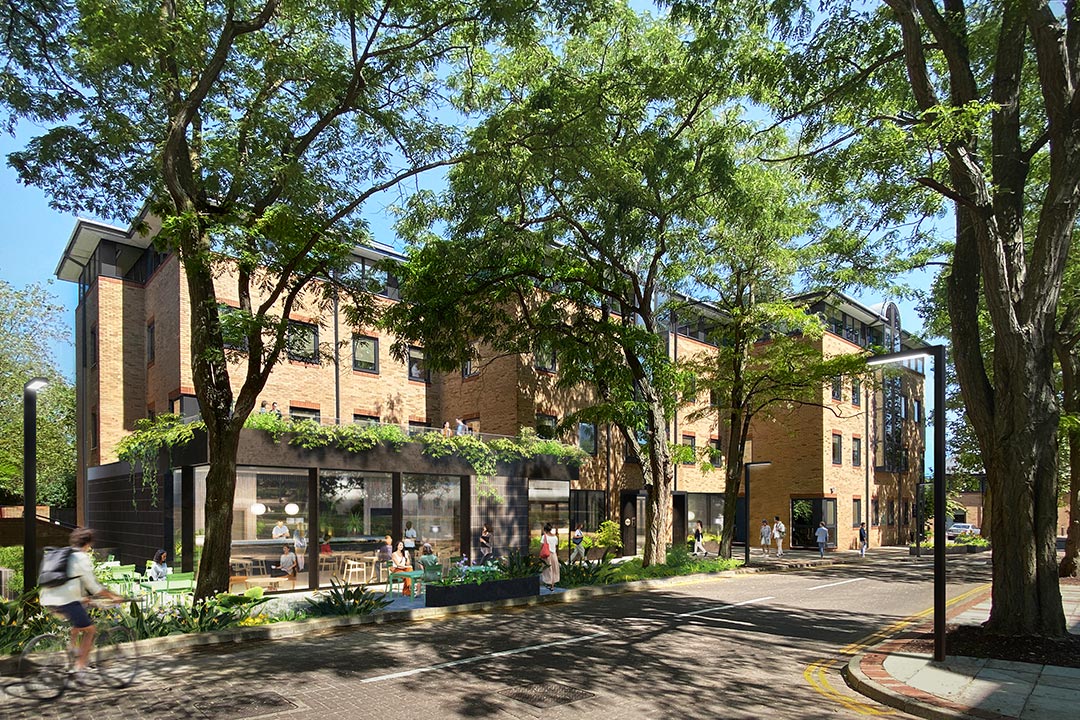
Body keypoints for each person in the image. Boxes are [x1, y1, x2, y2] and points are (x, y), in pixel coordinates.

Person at [39, 528, 124, 676]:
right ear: (88, 544)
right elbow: (94, 587)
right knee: (90, 630)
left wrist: (84, 598)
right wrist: (113, 596)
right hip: (65, 600)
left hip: (47, 598)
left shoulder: (63, 555)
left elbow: (68, 582)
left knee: (78, 620)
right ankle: (79, 668)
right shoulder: (81, 558)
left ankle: (71, 649)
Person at [540, 523, 560, 591]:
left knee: (548, 569)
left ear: (545, 529)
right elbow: (556, 545)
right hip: (554, 554)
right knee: (554, 569)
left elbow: (542, 546)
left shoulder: (544, 537)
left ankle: (548, 583)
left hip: (547, 555)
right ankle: (552, 585)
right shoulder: (555, 537)